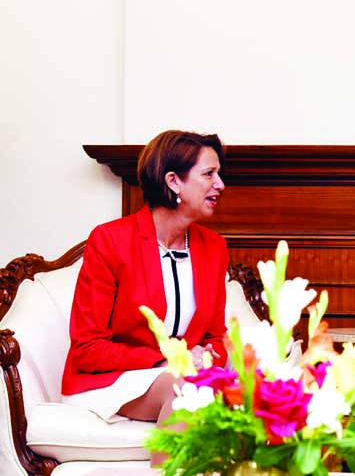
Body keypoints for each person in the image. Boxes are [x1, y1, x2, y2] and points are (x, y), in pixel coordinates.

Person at [61, 130, 229, 462]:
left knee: (222, 390)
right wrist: (171, 358)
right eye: (209, 174)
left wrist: (208, 358)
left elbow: (216, 337)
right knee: (189, 390)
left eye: (219, 174)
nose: (220, 184)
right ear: (173, 181)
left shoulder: (214, 247)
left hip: (184, 374)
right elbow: (87, 348)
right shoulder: (110, 241)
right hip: (114, 378)